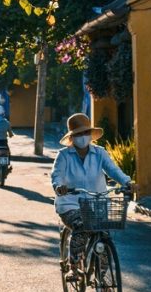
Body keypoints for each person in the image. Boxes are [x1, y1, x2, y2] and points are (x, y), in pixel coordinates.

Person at [51, 113, 134, 274]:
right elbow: (57, 174)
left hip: (96, 203)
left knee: (104, 236)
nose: (83, 136)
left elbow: (113, 170)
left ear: (90, 134)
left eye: (85, 133)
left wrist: (127, 182)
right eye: (79, 134)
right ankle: (74, 267)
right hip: (70, 204)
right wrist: (59, 186)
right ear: (72, 137)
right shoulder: (64, 155)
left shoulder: (100, 153)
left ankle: (103, 279)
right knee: (81, 226)